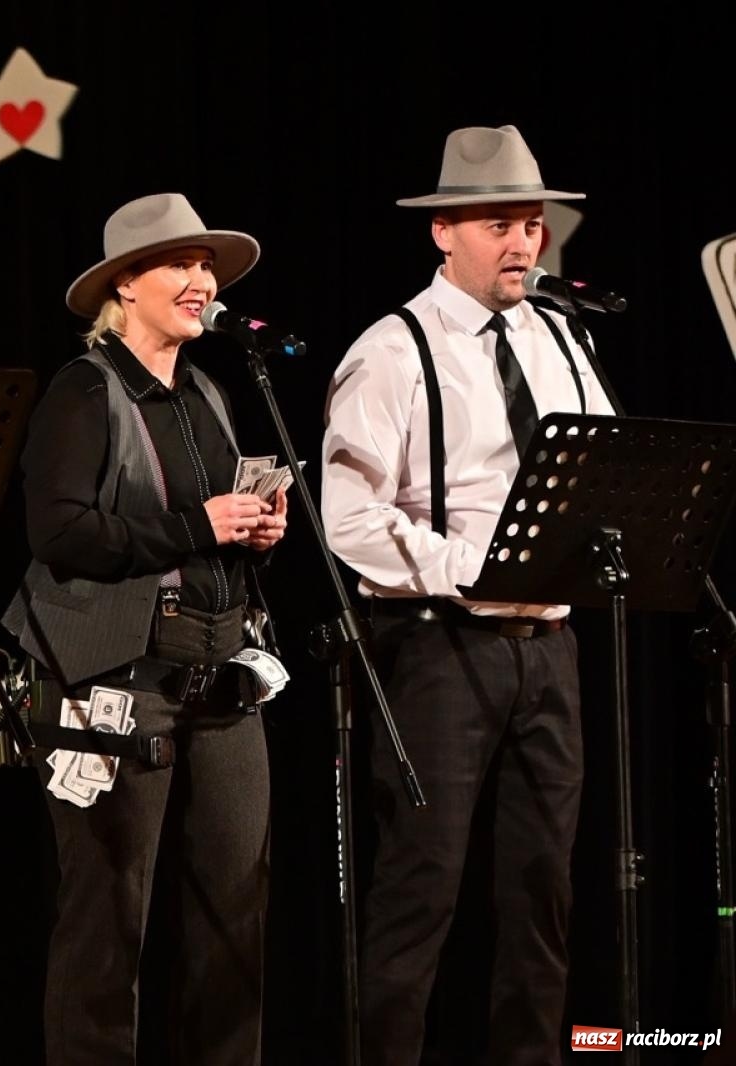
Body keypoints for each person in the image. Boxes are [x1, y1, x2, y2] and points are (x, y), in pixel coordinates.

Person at [321, 125, 613, 1065]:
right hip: (439, 647)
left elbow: (600, 469)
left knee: (543, 895)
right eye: (500, 224)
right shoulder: (394, 349)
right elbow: (350, 517)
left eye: (532, 223)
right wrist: (466, 567)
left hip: (550, 649)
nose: (524, 242)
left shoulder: (562, 337)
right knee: (420, 891)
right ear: (444, 232)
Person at [1, 192, 288, 1065]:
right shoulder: (83, 390)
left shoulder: (206, 388)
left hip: (220, 677)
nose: (202, 282)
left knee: (235, 911)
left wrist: (254, 536)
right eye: (181, 265)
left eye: (207, 267)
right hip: (113, 678)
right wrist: (203, 525)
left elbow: (209, 529)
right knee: (108, 917)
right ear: (126, 284)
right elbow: (61, 536)